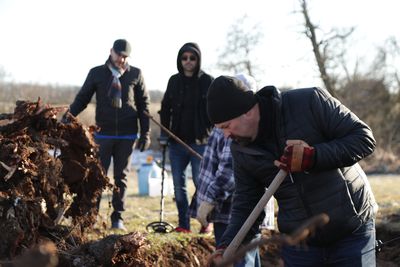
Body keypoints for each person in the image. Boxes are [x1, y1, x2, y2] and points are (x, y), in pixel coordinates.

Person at [206, 75, 378, 266]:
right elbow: (246, 204)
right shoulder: (241, 150)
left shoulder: (310, 101)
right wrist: (228, 246)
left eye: (226, 126)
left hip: (351, 230)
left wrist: (312, 157)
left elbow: (364, 139)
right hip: (299, 242)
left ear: (247, 112)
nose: (226, 135)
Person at [188, 74, 274, 266]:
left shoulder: (235, 127)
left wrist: (210, 198)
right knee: (248, 259)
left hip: (232, 210)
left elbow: (229, 171)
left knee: (240, 260)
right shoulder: (228, 123)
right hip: (232, 211)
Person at [67, 39, 151, 231]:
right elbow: (83, 98)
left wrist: (146, 133)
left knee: (120, 177)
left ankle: (117, 218)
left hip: (127, 134)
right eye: (119, 54)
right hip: (103, 134)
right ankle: (92, 217)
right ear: (111, 51)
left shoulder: (135, 74)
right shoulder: (97, 73)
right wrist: (69, 116)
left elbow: (144, 106)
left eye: (125, 56)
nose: (121, 59)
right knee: (98, 176)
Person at [159, 42, 214, 233]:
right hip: (177, 144)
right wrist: (164, 134)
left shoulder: (208, 81)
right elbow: (165, 109)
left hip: (202, 143)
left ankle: (206, 222)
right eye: (184, 58)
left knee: (202, 184)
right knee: (178, 187)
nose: (188, 61)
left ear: (198, 60)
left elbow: (215, 110)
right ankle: (184, 225)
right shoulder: (174, 81)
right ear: (180, 60)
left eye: (192, 58)